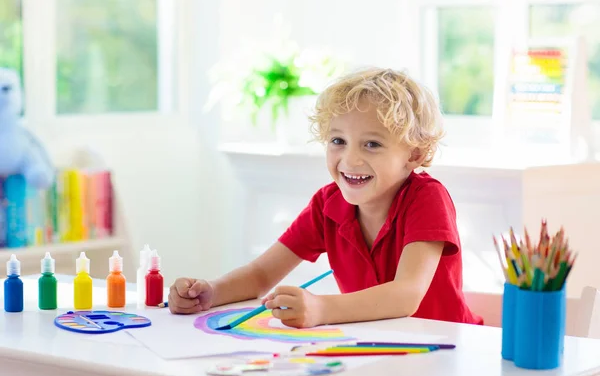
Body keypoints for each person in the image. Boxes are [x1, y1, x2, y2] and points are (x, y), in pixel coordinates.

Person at [169, 67, 483, 327]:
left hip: (447, 349)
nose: (350, 159)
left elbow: (406, 294)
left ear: (414, 155)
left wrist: (321, 309)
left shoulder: (426, 199)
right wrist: (211, 291)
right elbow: (261, 274)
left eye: (371, 144)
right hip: (375, 348)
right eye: (338, 140)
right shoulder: (328, 205)